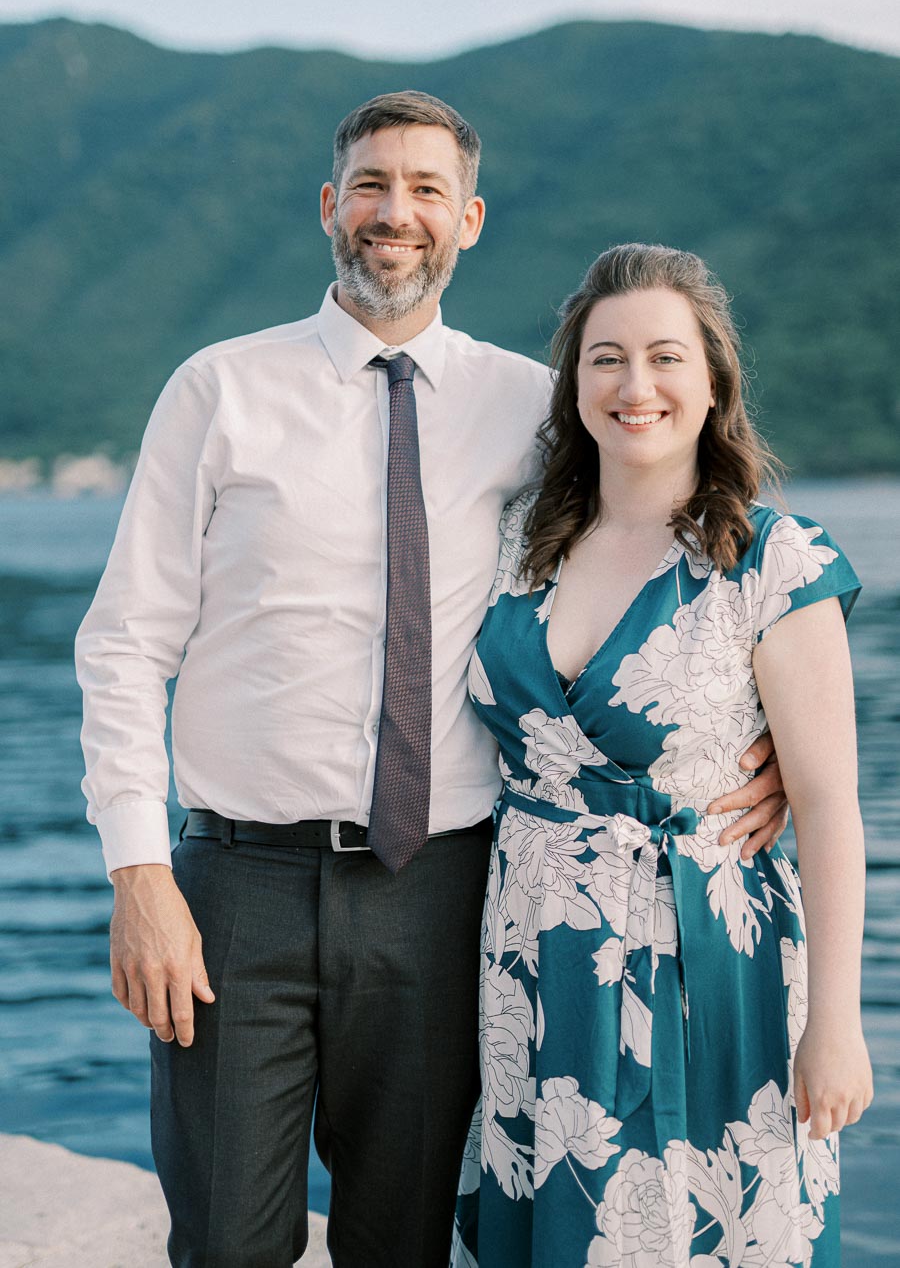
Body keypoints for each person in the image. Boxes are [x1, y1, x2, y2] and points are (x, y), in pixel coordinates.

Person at [75, 97, 787, 1268]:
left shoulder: (533, 407)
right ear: (329, 207)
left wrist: (765, 751)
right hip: (234, 887)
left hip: (447, 891)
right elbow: (123, 645)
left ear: (469, 219)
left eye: (422, 190)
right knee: (223, 1244)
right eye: (369, 185)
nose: (393, 213)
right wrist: (139, 874)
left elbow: (665, 519)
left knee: (404, 1242)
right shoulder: (219, 391)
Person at [452, 243, 873, 1268]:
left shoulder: (771, 559)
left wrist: (839, 1023)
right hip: (535, 962)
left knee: (693, 1221)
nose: (636, 386)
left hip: (709, 956)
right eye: (606, 359)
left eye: (665, 357)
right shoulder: (513, 544)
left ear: (713, 381)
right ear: (574, 384)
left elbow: (825, 804)